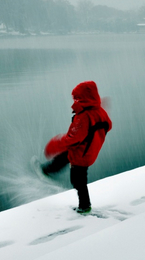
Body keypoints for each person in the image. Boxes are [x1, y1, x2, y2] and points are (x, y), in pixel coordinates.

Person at [42, 81, 112, 214]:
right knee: (65, 156)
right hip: (88, 149)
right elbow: (108, 124)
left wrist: (53, 145)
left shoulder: (83, 117)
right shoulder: (98, 111)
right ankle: (48, 169)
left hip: (82, 153)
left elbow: (72, 139)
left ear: (84, 98)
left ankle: (85, 207)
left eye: (77, 98)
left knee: (78, 181)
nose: (75, 100)